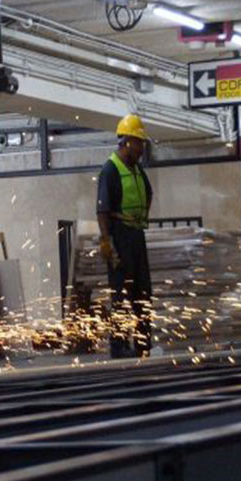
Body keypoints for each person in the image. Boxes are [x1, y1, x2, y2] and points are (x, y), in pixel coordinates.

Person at [96, 114, 153, 358]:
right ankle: (119, 346)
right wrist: (106, 240)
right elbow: (102, 209)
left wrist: (140, 218)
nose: (142, 149)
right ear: (126, 141)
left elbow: (148, 193)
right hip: (119, 237)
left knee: (143, 292)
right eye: (139, 143)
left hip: (136, 234)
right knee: (120, 293)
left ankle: (142, 343)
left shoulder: (137, 168)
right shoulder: (110, 169)